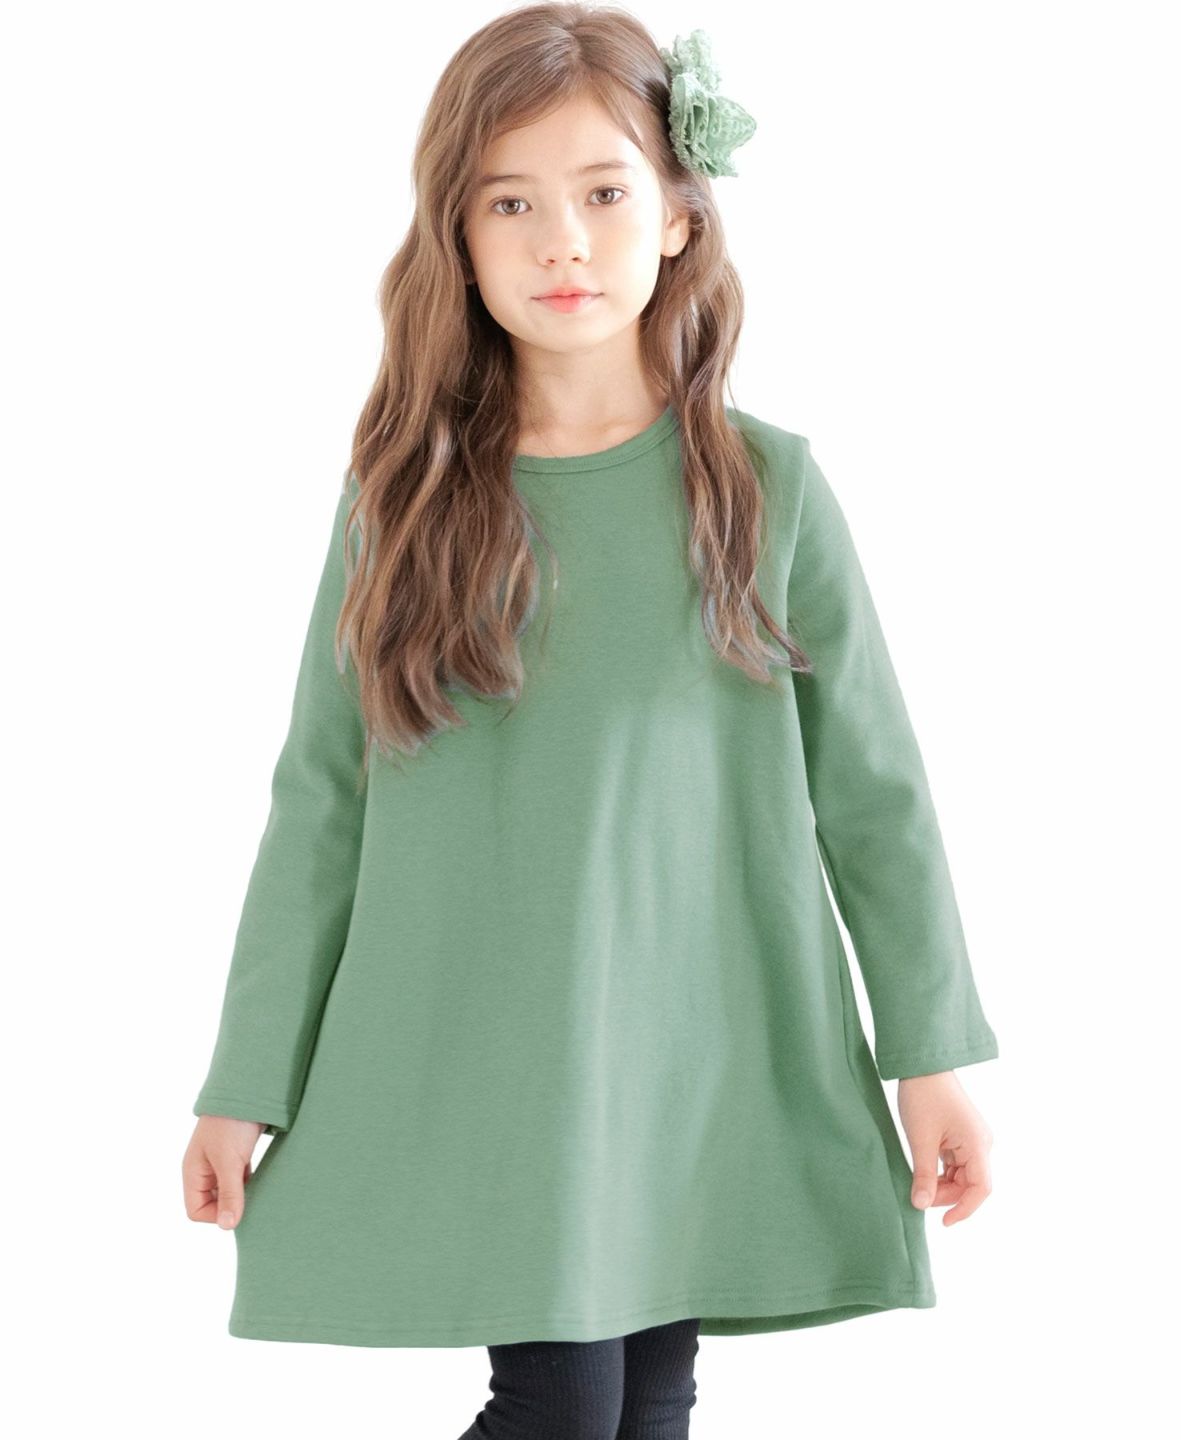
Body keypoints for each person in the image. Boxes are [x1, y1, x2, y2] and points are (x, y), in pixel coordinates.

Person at [181, 6, 999, 1437]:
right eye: (511, 203)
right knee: (562, 1406)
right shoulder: (404, 506)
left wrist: (927, 1058)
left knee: (650, 1400)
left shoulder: (766, 491)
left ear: (679, 214)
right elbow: (321, 801)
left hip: (699, 1043)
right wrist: (247, 1079)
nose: (562, 242)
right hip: (490, 1044)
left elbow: (874, 797)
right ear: (458, 236)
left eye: (604, 193)